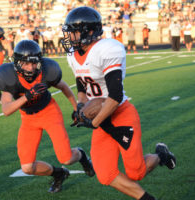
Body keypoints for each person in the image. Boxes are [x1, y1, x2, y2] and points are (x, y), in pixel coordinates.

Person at [62, 6, 176, 200]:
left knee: (136, 173)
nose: (70, 38)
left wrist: (93, 122)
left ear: (89, 32)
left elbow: (114, 96)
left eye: (74, 33)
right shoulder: (73, 55)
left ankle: (160, 156)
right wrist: (81, 106)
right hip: (100, 116)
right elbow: (82, 85)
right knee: (105, 174)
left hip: (120, 114)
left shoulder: (106, 49)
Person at [0, 40, 95, 193]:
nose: (30, 67)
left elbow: (64, 86)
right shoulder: (8, 76)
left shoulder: (47, 71)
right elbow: (6, 109)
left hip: (50, 112)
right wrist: (27, 96)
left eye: (34, 63)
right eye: (25, 63)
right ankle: (59, 174)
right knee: (27, 167)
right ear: (17, 63)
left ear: (39, 62)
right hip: (28, 119)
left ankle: (81, 155)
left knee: (66, 158)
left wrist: (77, 109)